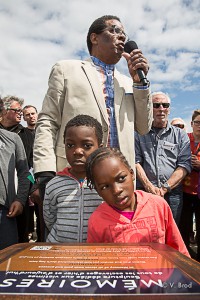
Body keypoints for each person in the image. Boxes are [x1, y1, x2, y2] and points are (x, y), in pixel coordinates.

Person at [32, 14, 153, 207]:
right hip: (74, 177)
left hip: (118, 184)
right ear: (94, 37)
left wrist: (140, 84)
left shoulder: (128, 82)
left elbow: (144, 127)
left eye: (124, 33)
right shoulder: (66, 70)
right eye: (115, 30)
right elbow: (47, 121)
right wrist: (45, 172)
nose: (122, 36)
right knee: (71, 235)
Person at [85, 147, 190, 257]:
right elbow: (96, 262)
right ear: (98, 191)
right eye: (105, 187)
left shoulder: (158, 205)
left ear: (132, 174)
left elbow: (178, 250)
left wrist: (187, 272)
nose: (116, 190)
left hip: (161, 273)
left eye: (121, 178)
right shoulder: (97, 220)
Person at [43, 115, 103, 242]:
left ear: (100, 148)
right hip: (60, 253)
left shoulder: (104, 183)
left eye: (87, 146)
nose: (77, 151)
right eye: (70, 145)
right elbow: (50, 218)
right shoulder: (55, 184)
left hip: (95, 253)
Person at [134, 92, 191, 226]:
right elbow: (135, 162)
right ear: (149, 108)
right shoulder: (139, 133)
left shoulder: (181, 135)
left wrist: (165, 188)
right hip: (144, 191)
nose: (161, 108)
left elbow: (184, 165)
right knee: (146, 229)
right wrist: (149, 186)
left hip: (172, 194)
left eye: (165, 105)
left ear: (169, 109)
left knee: (170, 230)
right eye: (156, 105)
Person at [0, 95, 35, 242]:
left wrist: (29, 191)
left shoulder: (25, 136)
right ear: (5, 111)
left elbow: (27, 169)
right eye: (17, 110)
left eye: (22, 111)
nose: (20, 113)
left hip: (13, 201)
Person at [179, 109, 200, 261]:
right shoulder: (185, 139)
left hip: (199, 192)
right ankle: (186, 259)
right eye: (198, 122)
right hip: (184, 192)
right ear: (192, 124)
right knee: (184, 227)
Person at [23, 105, 40, 242]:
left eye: (33, 113)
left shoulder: (43, 132)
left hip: (44, 175)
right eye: (27, 114)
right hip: (29, 176)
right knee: (28, 208)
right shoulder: (22, 135)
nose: (31, 116)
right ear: (24, 117)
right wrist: (30, 178)